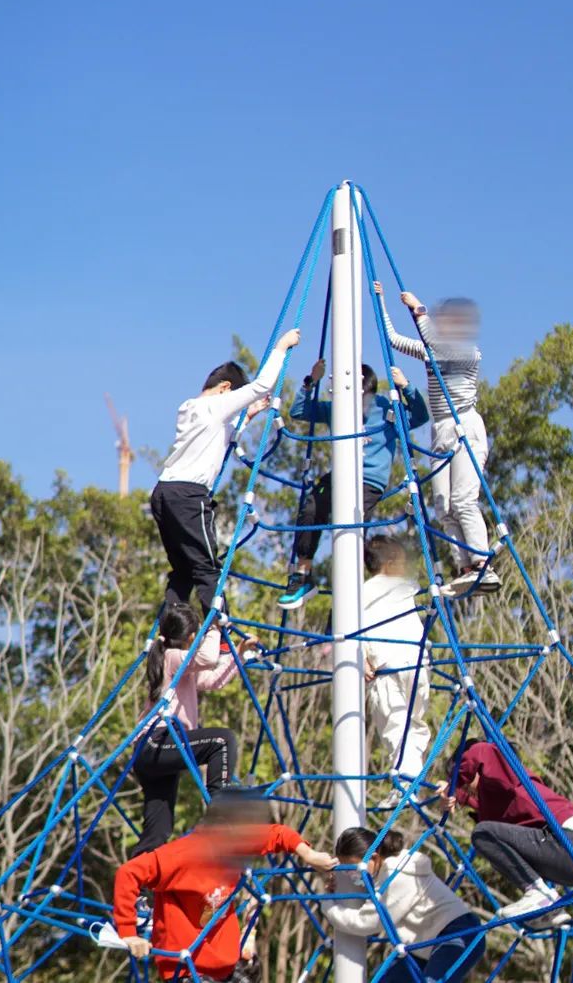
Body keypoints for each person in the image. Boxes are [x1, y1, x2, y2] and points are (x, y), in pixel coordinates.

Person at [114, 788, 337, 980]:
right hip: (187, 967)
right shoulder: (181, 856)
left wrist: (309, 855)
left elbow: (277, 834)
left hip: (227, 964)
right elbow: (128, 872)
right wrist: (128, 931)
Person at [153, 328, 300, 615]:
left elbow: (221, 437)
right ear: (225, 389)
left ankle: (172, 628)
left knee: (183, 569)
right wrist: (281, 347)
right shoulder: (216, 405)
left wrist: (249, 416)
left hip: (163, 492)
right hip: (188, 495)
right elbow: (261, 386)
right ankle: (220, 627)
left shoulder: (190, 407)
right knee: (207, 565)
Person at [374, 283, 496, 598]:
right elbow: (393, 339)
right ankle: (466, 568)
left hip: (464, 424)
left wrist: (417, 309)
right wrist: (382, 302)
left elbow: (435, 343)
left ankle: (483, 562)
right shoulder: (431, 350)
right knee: (443, 506)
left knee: (463, 499)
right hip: (440, 431)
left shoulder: (468, 353)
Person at [277, 358, 429, 610]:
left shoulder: (386, 409)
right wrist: (310, 382)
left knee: (352, 532)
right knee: (312, 506)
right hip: (341, 475)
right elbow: (299, 411)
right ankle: (302, 575)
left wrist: (406, 387)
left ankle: (351, 600)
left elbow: (420, 416)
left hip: (369, 481)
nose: (359, 405)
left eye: (363, 398)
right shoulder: (338, 408)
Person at [131, 604, 258, 855]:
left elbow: (213, 680)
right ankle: (219, 810)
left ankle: (139, 890)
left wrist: (239, 654)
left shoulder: (182, 665)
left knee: (158, 830)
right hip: (156, 742)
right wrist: (213, 627)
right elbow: (208, 658)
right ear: (191, 637)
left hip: (160, 750)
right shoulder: (171, 656)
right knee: (222, 741)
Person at [439, 737, 573, 924]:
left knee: (483, 834)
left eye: (465, 779)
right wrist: (452, 793)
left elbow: (481, 751)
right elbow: (480, 806)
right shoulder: (497, 805)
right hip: (565, 862)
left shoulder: (503, 771)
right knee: (488, 840)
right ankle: (548, 906)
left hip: (570, 845)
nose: (465, 788)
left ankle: (538, 893)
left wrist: (455, 782)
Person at [320, 826, 485, 982]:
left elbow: (366, 922)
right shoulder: (383, 874)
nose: (351, 875)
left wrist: (328, 904)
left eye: (352, 869)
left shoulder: (396, 876)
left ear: (375, 858)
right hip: (423, 947)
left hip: (458, 934)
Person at [362, 535, 431, 794]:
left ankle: (405, 784)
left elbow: (353, 629)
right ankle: (411, 778)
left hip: (387, 666)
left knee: (394, 724)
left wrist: (361, 658)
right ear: (390, 564)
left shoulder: (361, 592)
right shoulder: (408, 586)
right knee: (414, 723)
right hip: (417, 663)